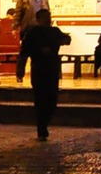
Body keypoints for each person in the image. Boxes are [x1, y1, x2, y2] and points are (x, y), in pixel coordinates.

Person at [17, 9, 71, 141]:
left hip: (52, 68)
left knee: (52, 98)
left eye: (49, 16)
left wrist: (62, 40)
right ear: (39, 18)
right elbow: (24, 51)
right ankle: (41, 127)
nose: (48, 19)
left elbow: (67, 39)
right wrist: (20, 70)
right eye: (45, 17)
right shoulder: (33, 33)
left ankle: (44, 123)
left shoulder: (54, 31)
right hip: (39, 68)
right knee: (40, 97)